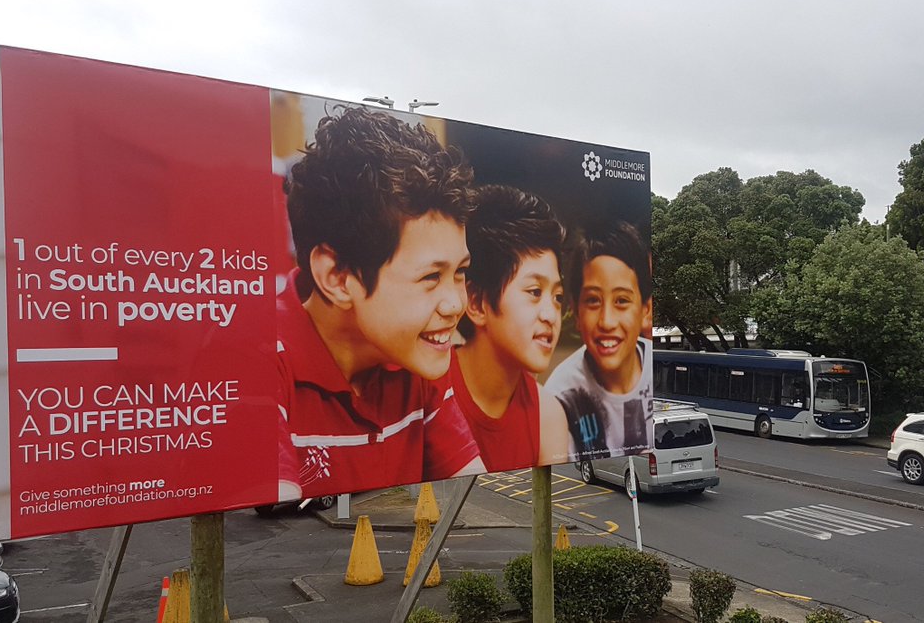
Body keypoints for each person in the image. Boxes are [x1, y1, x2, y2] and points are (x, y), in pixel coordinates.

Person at [276, 107, 484, 499]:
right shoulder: (256, 365)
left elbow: (471, 496)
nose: (456, 304)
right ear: (337, 277)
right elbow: (272, 552)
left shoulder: (414, 354)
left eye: (460, 272)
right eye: (430, 277)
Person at [442, 185, 574, 471]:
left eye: (558, 297)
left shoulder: (548, 415)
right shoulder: (428, 393)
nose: (551, 315)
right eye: (535, 291)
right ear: (476, 303)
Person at [543, 220, 653, 460]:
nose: (607, 321)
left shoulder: (656, 366)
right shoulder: (560, 398)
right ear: (576, 311)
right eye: (593, 301)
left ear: (645, 310)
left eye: (622, 301)